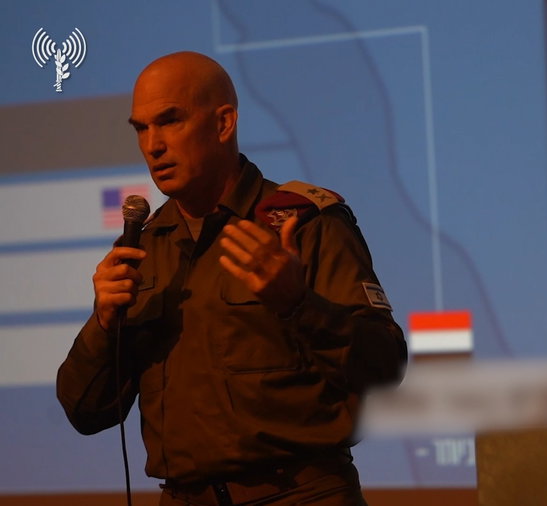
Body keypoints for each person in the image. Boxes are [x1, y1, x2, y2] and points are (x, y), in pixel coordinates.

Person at [56, 51, 407, 505]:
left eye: (169, 121)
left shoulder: (302, 223)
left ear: (223, 123)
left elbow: (385, 368)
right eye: (141, 128)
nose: (153, 145)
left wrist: (298, 304)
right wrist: (103, 325)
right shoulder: (143, 248)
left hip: (297, 495)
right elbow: (85, 412)